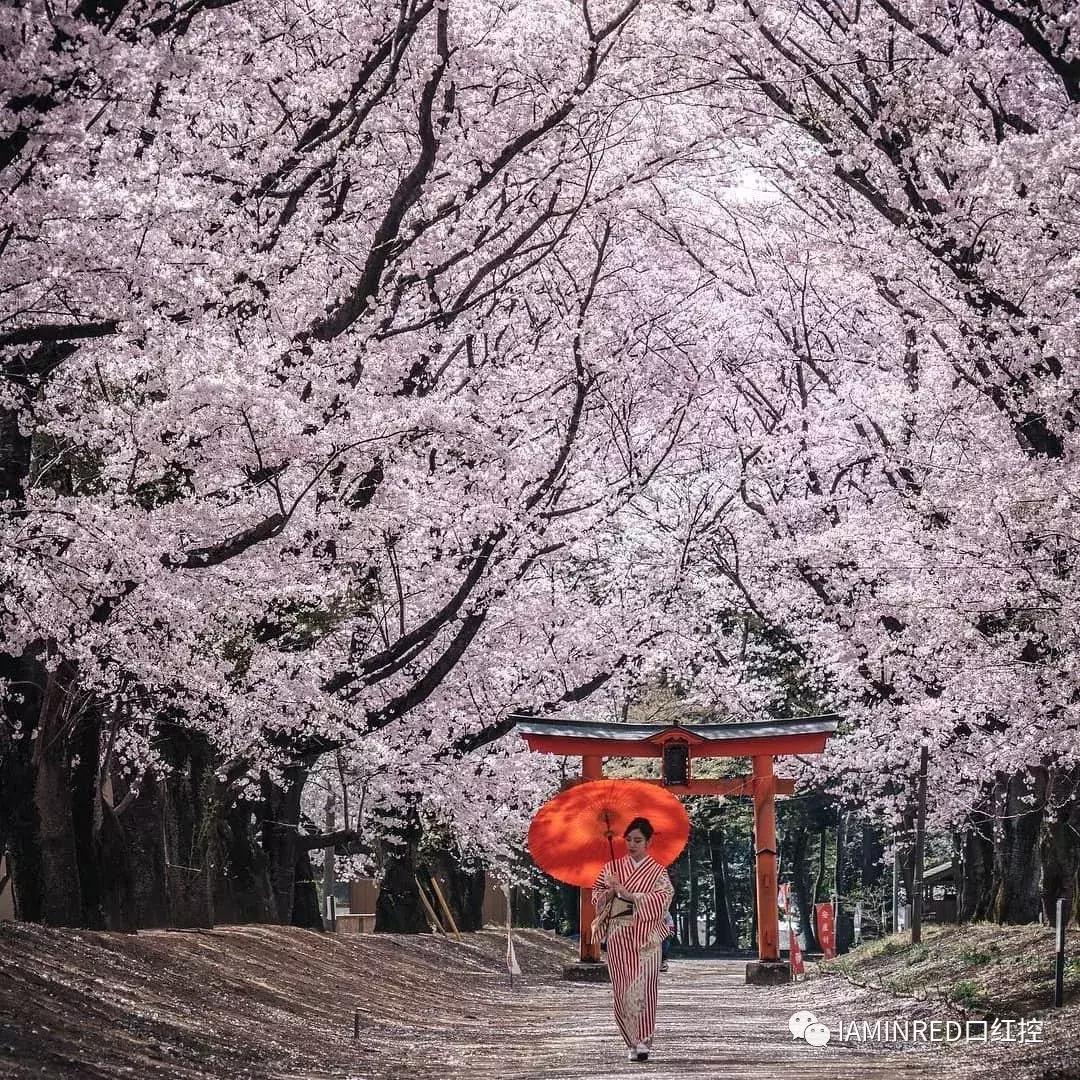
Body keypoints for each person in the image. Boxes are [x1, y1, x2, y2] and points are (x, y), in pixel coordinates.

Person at [591, 817, 675, 1063]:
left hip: (647, 937)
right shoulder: (611, 869)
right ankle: (630, 1041)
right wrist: (608, 892)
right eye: (628, 840)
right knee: (622, 988)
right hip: (619, 934)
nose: (632, 844)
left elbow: (663, 899)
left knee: (646, 989)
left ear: (648, 842)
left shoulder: (658, 872)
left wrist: (630, 894)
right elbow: (596, 897)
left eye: (638, 840)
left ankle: (644, 1040)